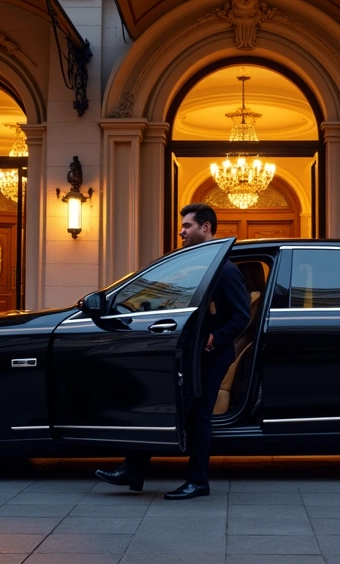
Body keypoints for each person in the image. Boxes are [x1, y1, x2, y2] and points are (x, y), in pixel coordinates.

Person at [94, 203, 251, 500]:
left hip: (212, 356)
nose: (181, 232)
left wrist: (214, 338)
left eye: (187, 226)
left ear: (206, 228)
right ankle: (133, 469)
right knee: (163, 405)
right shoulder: (197, 269)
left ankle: (197, 482)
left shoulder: (226, 272)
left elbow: (242, 316)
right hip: (188, 354)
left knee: (199, 416)